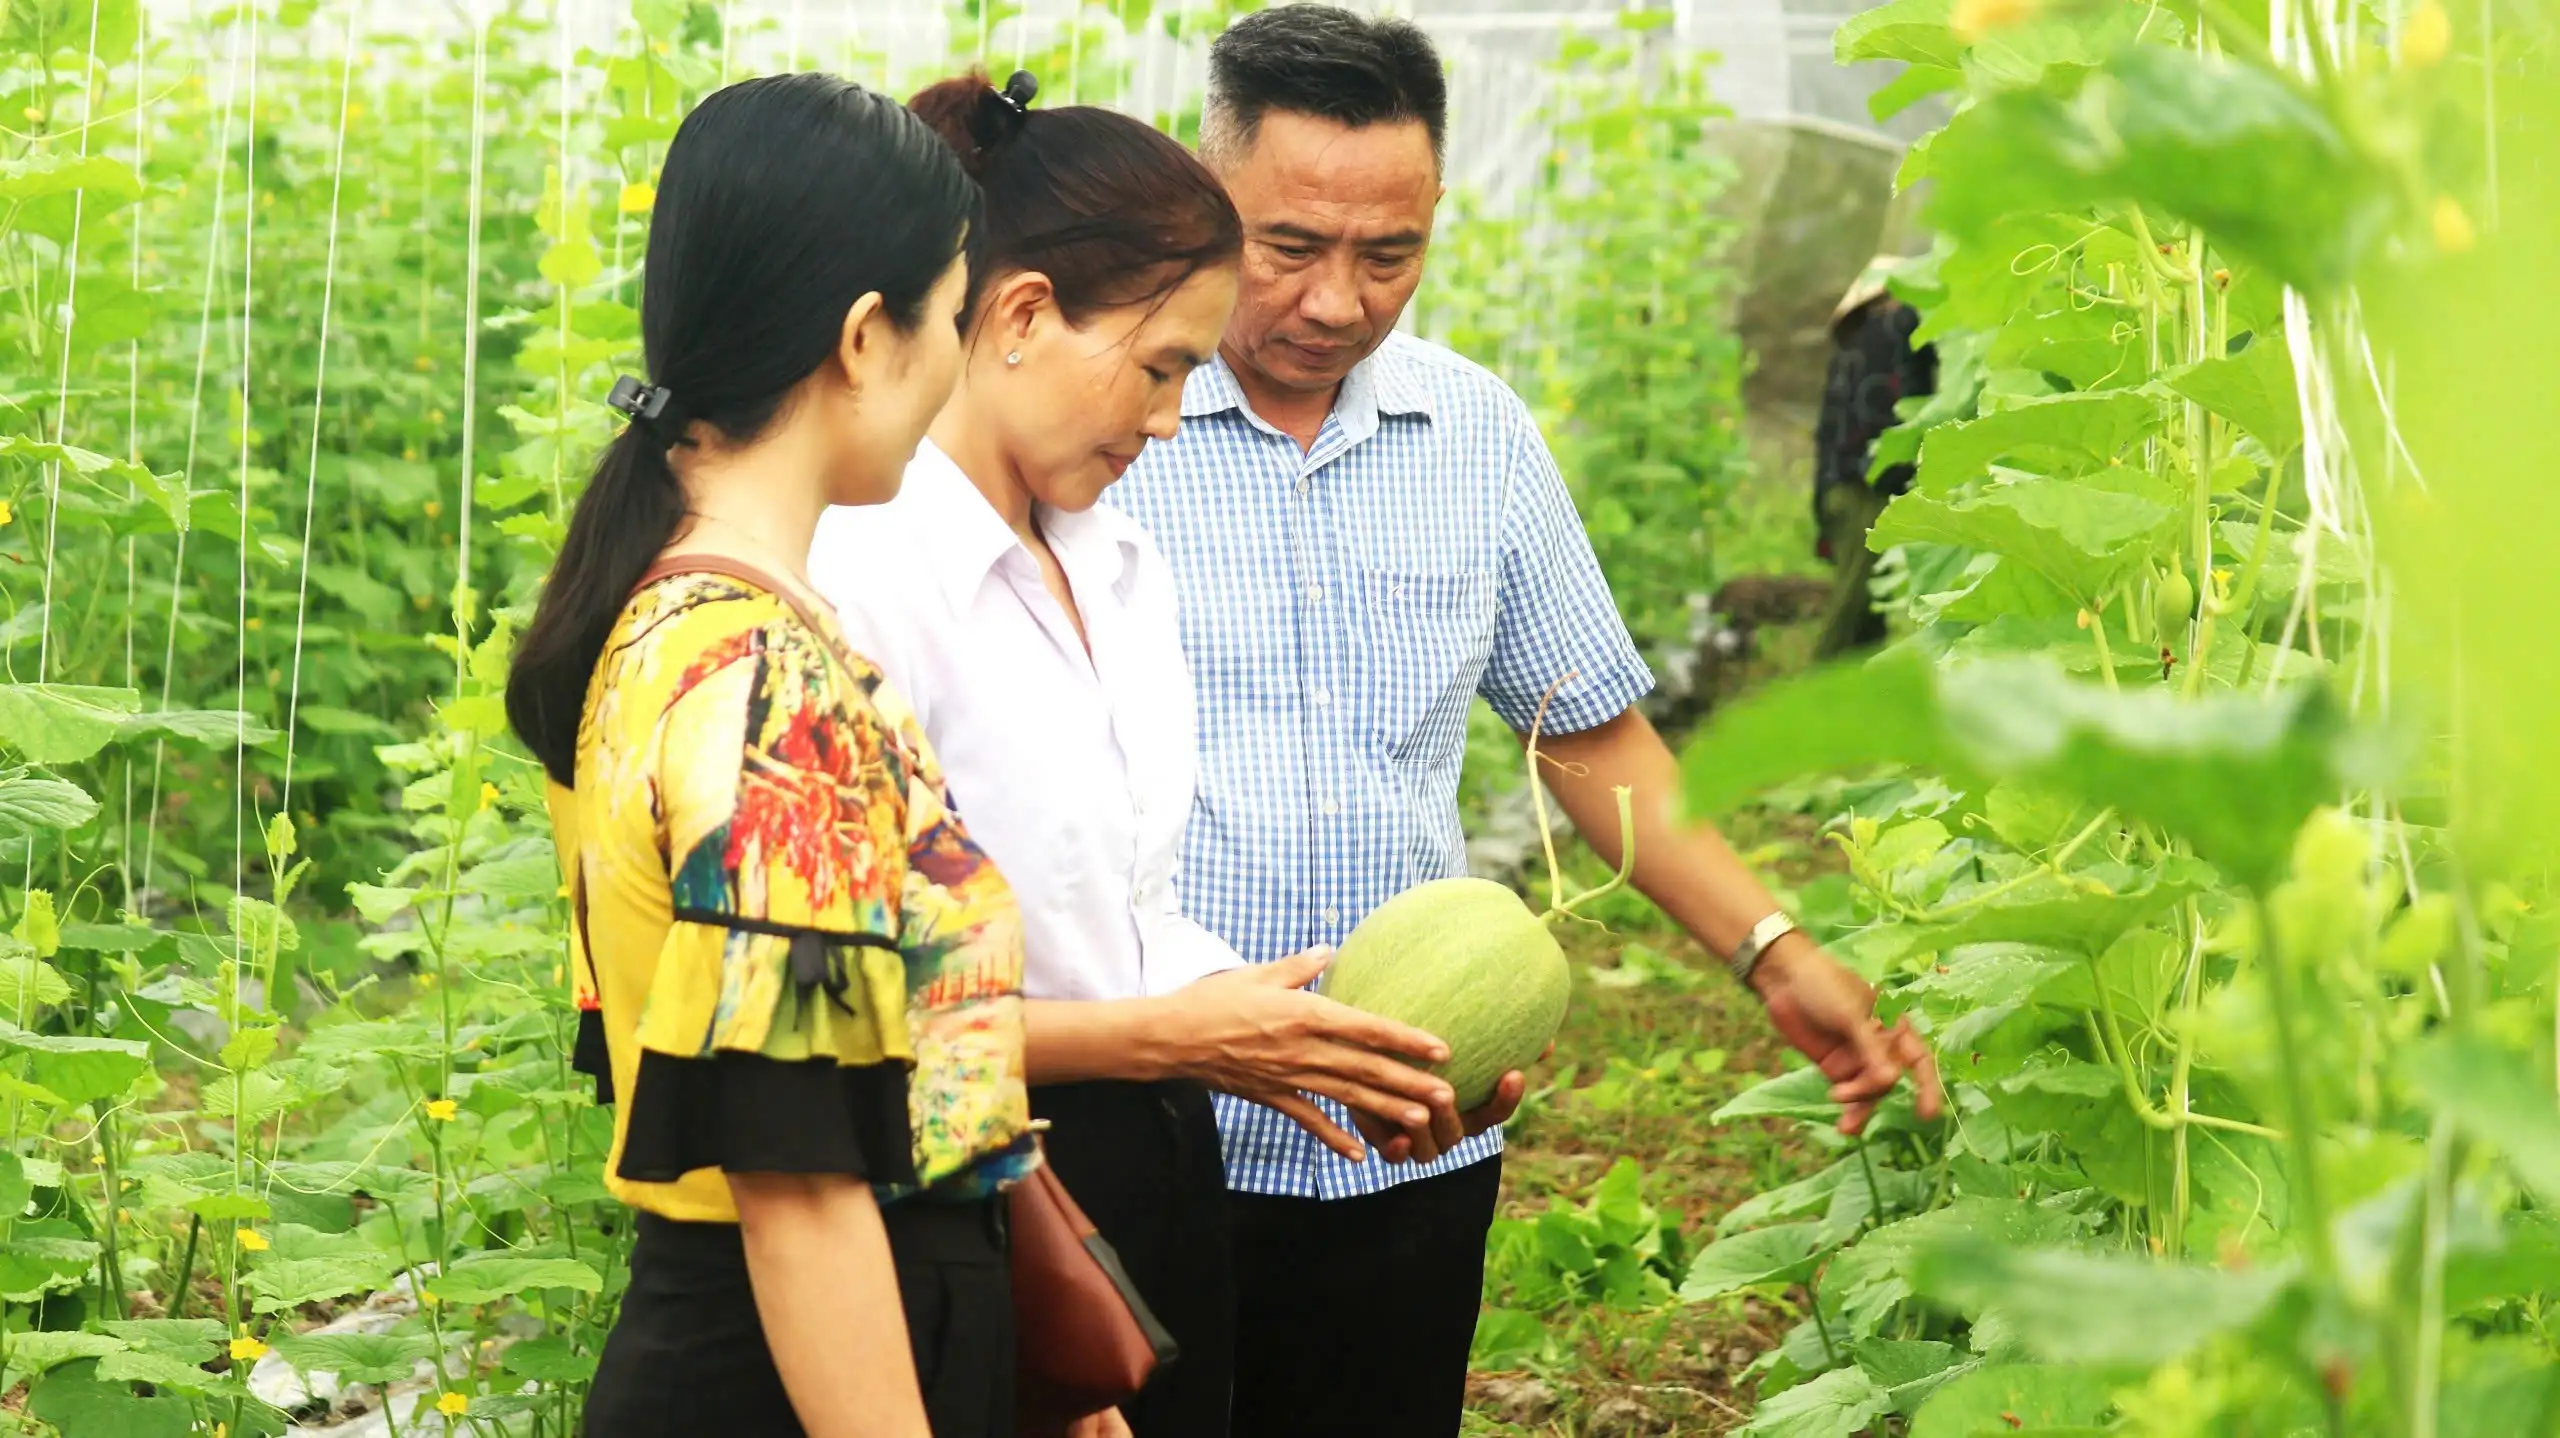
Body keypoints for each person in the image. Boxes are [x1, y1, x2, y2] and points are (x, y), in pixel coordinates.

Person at [1106, 9, 1949, 1435]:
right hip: (1150, 1134)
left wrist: (1773, 951)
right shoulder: (1108, 439)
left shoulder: (1476, 435)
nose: (1337, 301)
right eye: (1288, 246)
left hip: (1409, 1133)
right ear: (1206, 199)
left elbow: (1587, 733)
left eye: (1390, 256)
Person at [806, 70, 1465, 1438]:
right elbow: (846, 1023)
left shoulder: (1114, 564)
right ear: (1023, 314)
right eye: (1159, 366)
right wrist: (1178, 1033)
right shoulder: (865, 576)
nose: (1169, 420)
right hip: (954, 1181)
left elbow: (1127, 919)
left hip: (1146, 1168)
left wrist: (1332, 1040)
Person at [505, 74, 1035, 1438]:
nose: (955, 370)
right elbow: (796, 1179)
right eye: (955, 320)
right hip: (800, 1365)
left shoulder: (653, 615)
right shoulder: (764, 687)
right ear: (867, 335)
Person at [1811, 255, 1935, 658]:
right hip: (1870, 490)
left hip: (1838, 490)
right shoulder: (1899, 325)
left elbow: (1827, 432)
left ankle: (1856, 709)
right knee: (1850, 619)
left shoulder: (1850, 342)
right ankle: (1812, 711)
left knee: (1864, 617)